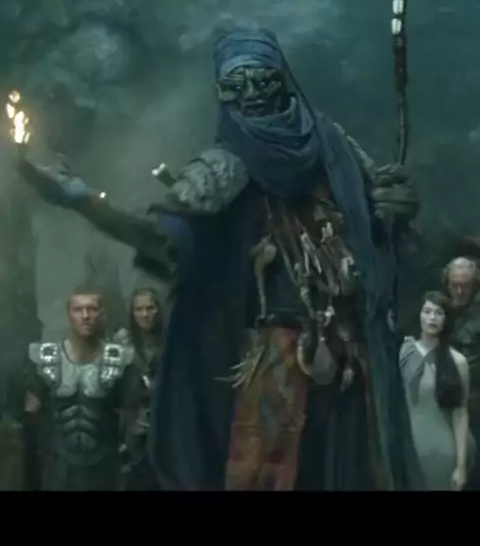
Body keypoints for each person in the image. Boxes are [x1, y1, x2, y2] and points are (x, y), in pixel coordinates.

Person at [15, 27, 420, 491]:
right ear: (223, 93)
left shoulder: (335, 150)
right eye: (238, 83)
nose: (253, 93)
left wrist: (396, 208)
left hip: (348, 358)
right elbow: (163, 241)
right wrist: (86, 203)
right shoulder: (222, 167)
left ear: (281, 79)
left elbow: (381, 223)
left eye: (262, 79)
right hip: (275, 365)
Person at [23, 289, 141, 491]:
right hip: (58, 465)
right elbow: (31, 416)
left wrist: (128, 461)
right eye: (78, 310)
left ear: (102, 314)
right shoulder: (45, 360)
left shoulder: (120, 361)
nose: (85, 316)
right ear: (69, 315)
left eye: (92, 309)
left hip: (106, 465)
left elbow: (132, 418)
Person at [400, 291, 472, 490]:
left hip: (440, 450)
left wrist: (461, 466)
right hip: (407, 448)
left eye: (439, 313)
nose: (432, 317)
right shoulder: (405, 352)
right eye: (427, 311)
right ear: (419, 315)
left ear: (446, 319)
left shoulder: (457, 362)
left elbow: (461, 413)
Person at [114, 288, 163, 490]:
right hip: (133, 428)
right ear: (132, 313)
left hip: (164, 425)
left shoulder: (170, 341)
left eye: (150, 308)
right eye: (139, 309)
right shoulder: (122, 344)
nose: (145, 314)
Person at [441, 257, 480, 486]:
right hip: (446, 406)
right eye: (454, 284)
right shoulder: (438, 313)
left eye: (465, 285)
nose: (459, 291)